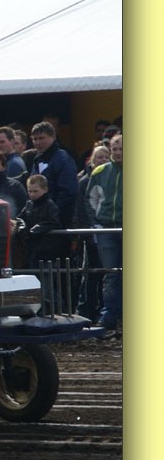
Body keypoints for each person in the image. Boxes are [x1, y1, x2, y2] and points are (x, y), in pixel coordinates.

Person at [85, 133, 122, 330]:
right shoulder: (100, 171)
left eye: (121, 149)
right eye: (114, 149)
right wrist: (96, 222)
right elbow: (90, 199)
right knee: (110, 273)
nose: (117, 153)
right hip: (106, 228)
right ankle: (109, 315)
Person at [74, 144, 111, 320]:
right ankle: (87, 310)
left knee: (109, 274)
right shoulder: (84, 182)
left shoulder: (113, 179)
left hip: (109, 233)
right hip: (92, 235)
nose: (103, 160)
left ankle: (106, 309)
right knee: (91, 274)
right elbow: (81, 210)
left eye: (106, 157)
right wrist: (87, 233)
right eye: (99, 157)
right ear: (92, 161)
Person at [29, 120, 78, 229]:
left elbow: (68, 192)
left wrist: (52, 217)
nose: (37, 142)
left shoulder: (63, 159)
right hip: (41, 221)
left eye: (41, 138)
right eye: (34, 139)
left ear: (53, 137)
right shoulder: (37, 159)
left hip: (59, 223)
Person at [14, 174, 62, 271]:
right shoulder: (29, 204)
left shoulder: (50, 205)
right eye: (29, 191)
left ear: (45, 190)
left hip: (47, 250)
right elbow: (19, 218)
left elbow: (54, 222)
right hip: (31, 249)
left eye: (35, 191)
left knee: (45, 275)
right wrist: (23, 227)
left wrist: (36, 229)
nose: (32, 194)